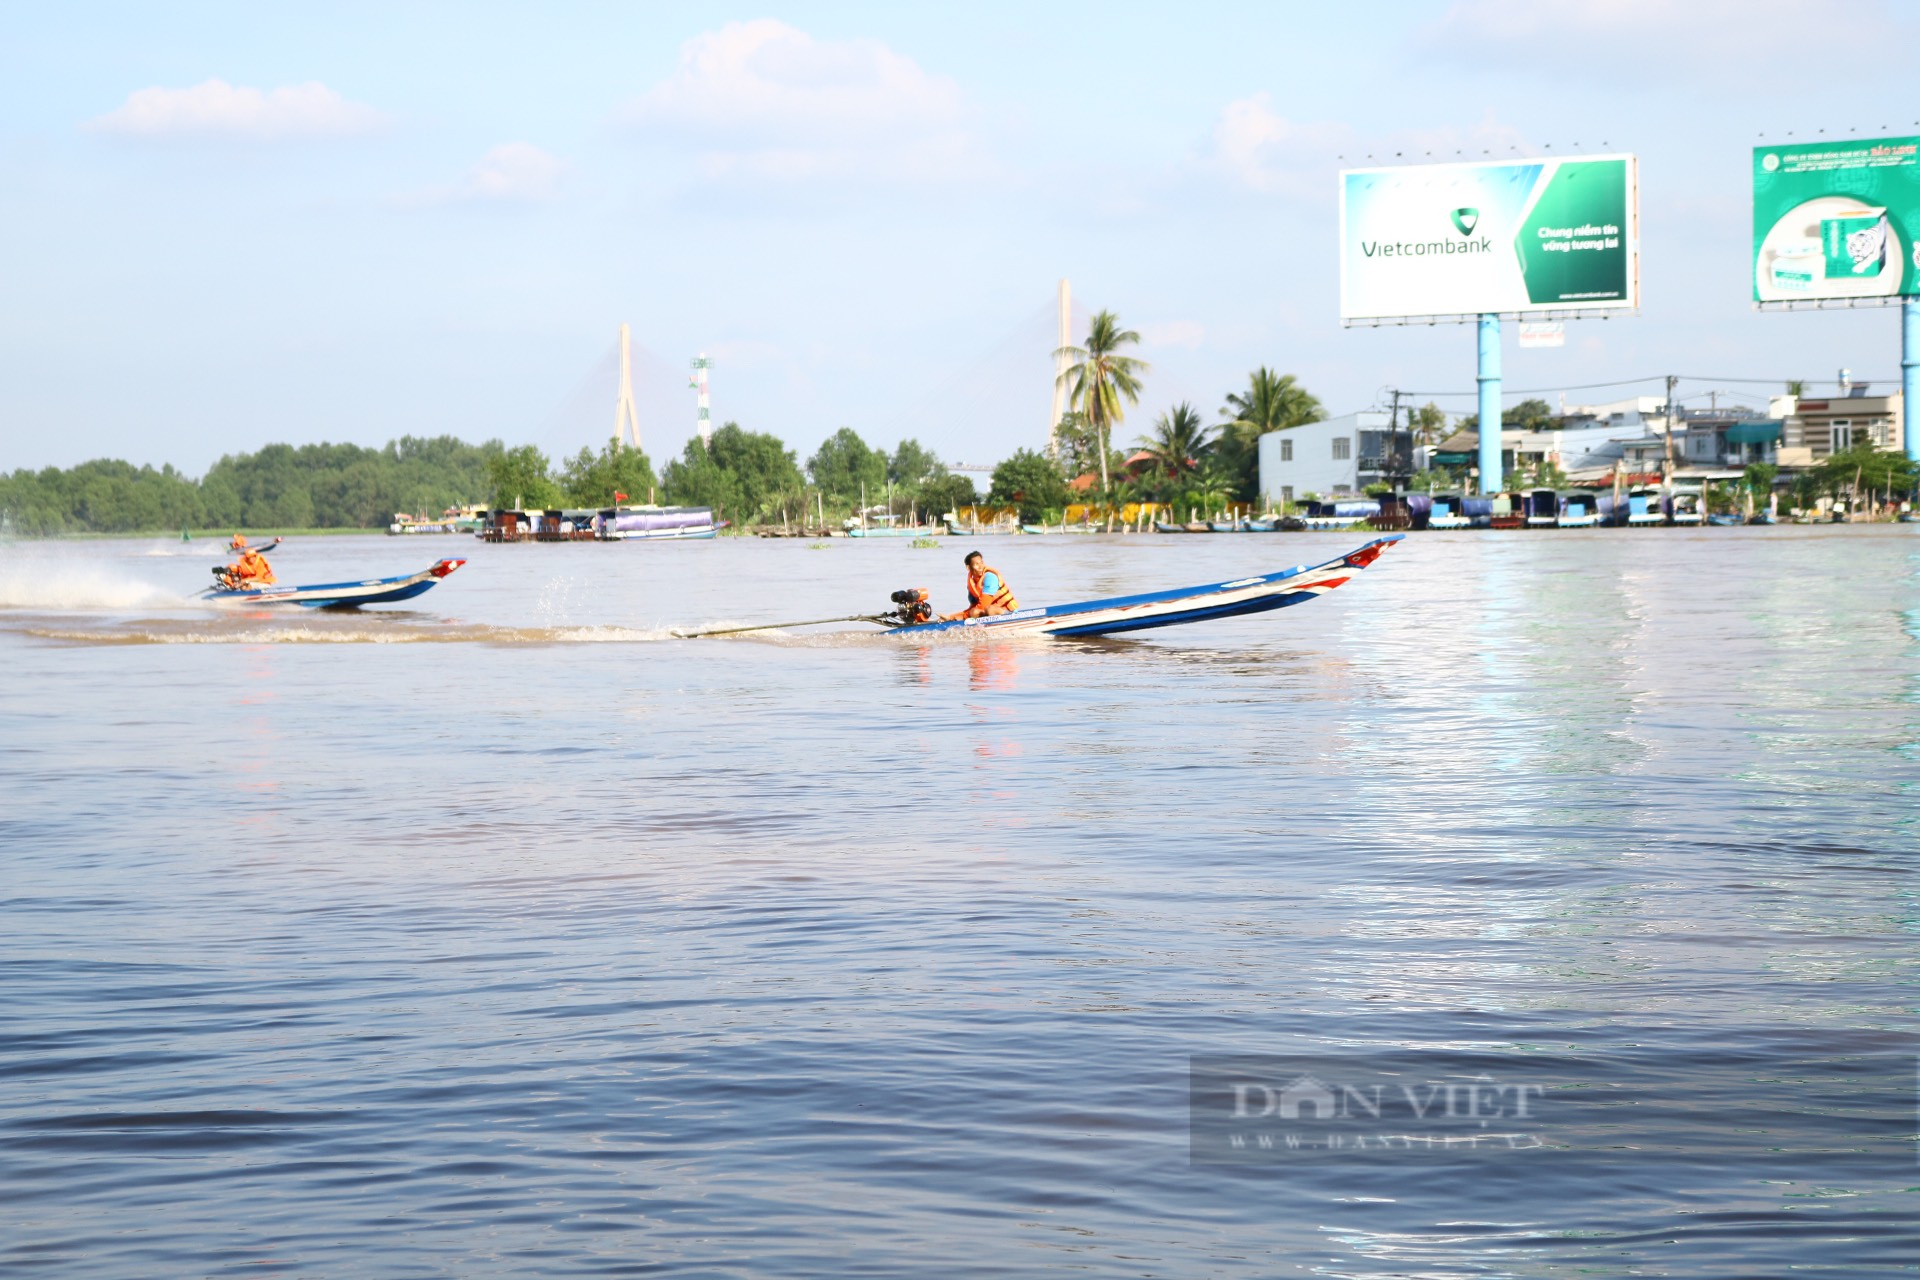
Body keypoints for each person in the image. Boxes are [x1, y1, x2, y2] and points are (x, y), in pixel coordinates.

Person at [943, 550, 1016, 621]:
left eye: (981, 563)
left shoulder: (990, 577)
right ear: (968, 568)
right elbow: (973, 608)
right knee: (974, 612)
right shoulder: (972, 584)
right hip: (988, 612)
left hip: (1008, 611)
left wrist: (957, 617)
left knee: (989, 610)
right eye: (977, 564)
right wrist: (950, 618)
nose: (981, 567)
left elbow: (984, 604)